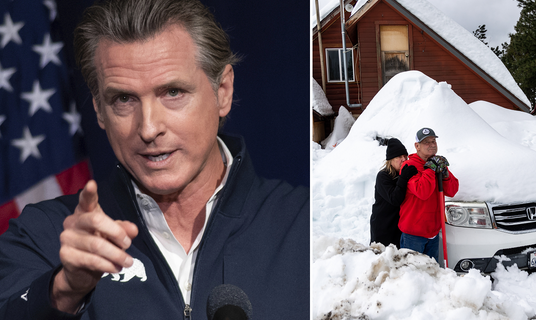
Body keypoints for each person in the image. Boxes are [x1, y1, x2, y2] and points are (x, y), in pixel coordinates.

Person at [0, 0, 309, 319]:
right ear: (99, 111)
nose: (148, 128)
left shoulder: (302, 223)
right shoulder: (42, 235)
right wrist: (62, 293)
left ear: (223, 91)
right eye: (123, 99)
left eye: (172, 92)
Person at [398, 128, 459, 261]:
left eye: (433, 141)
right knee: (413, 273)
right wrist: (430, 169)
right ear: (417, 146)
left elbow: (452, 191)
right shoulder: (409, 166)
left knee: (432, 273)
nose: (431, 144)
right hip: (413, 233)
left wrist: (446, 174)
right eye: (426, 142)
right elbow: (422, 192)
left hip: (433, 231)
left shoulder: (437, 163)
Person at [370, 138, 418, 247]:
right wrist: (403, 178)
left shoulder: (404, 174)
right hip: (383, 225)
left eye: (404, 156)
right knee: (382, 259)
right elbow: (395, 199)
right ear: (390, 160)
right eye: (399, 157)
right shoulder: (383, 176)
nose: (403, 159)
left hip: (399, 225)